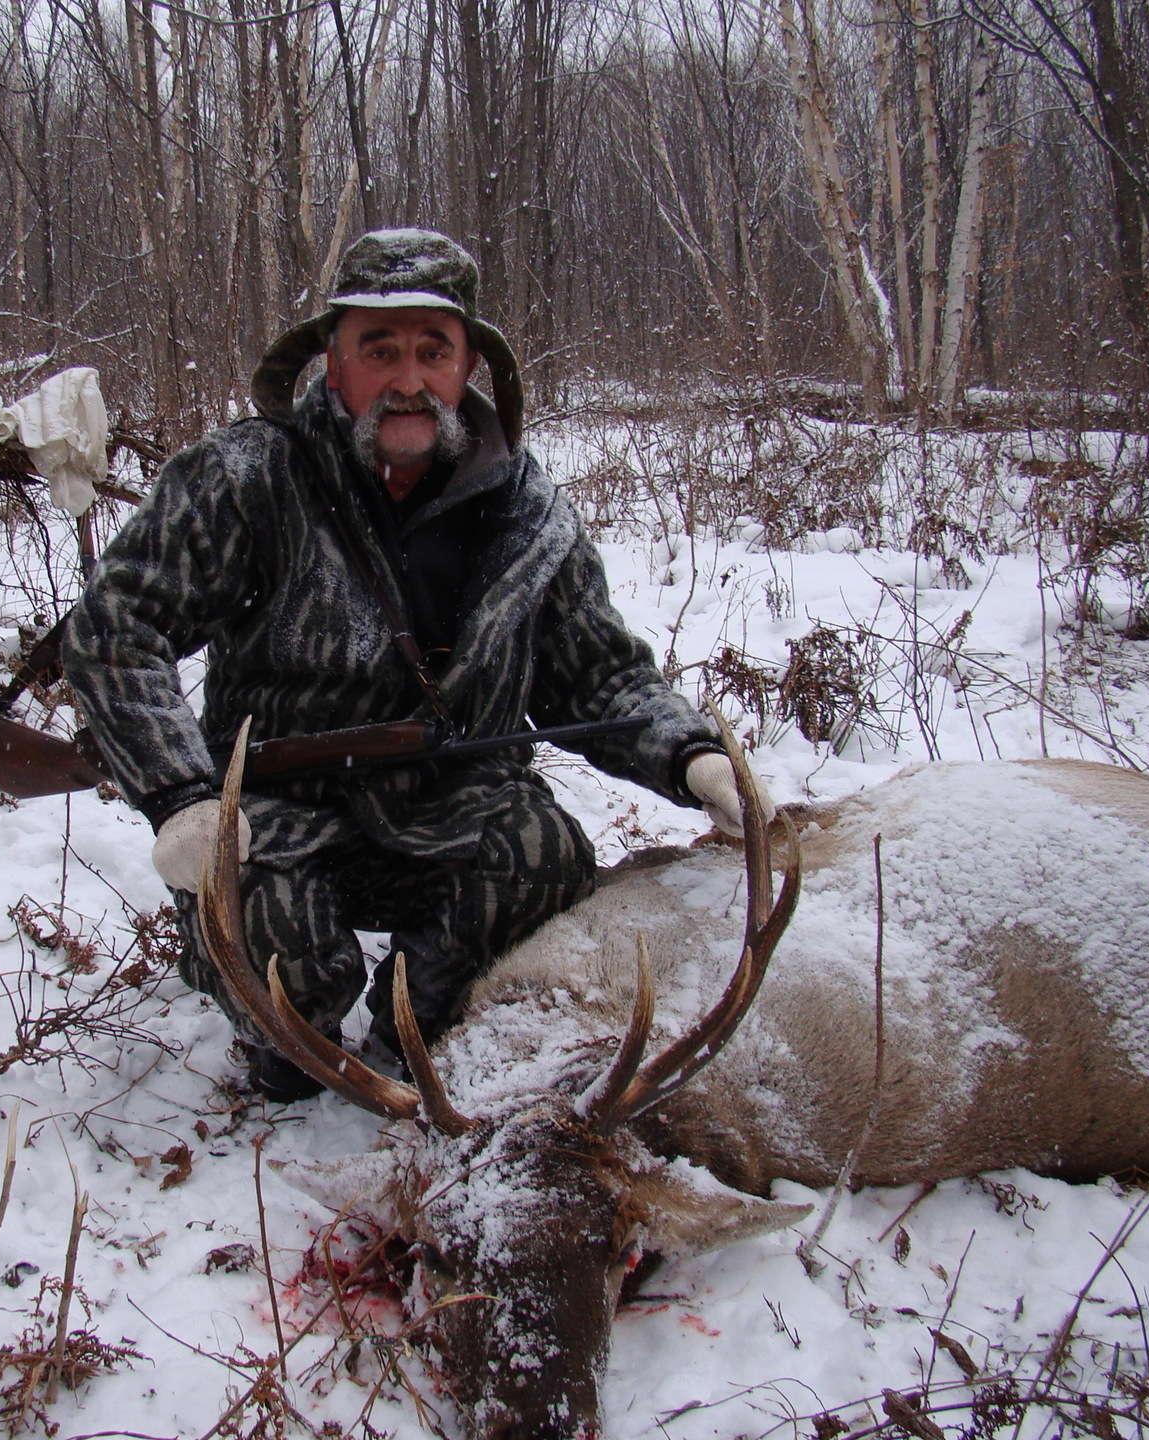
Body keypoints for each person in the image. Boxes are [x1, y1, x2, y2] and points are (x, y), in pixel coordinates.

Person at [58, 229, 772, 1099]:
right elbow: (116, 626)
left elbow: (598, 672)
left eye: (434, 351)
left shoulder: (527, 511)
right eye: (379, 349)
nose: (407, 379)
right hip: (279, 816)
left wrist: (693, 757)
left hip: (454, 810)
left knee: (540, 853)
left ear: (470, 363)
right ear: (332, 360)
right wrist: (182, 798)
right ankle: (293, 1046)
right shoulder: (243, 478)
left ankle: (429, 1028)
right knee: (289, 992)